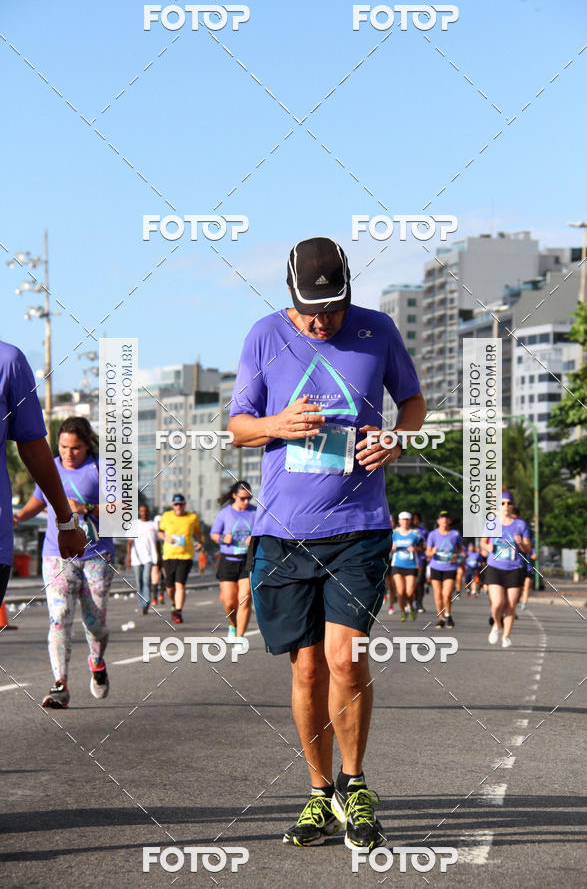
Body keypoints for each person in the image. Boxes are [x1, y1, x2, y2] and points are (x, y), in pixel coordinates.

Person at [228, 237, 426, 851]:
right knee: (308, 666)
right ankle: (319, 794)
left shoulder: (378, 330)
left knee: (346, 659)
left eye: (334, 308)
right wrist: (275, 426)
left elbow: (413, 403)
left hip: (361, 524)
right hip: (284, 531)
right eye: (313, 311)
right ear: (290, 295)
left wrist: (396, 437)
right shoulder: (264, 335)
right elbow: (238, 427)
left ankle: (355, 781)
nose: (323, 321)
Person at [16, 417, 112, 708]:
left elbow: (123, 507)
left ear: (87, 445)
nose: (69, 453)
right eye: (63, 447)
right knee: (59, 617)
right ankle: (60, 684)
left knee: (95, 623)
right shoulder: (52, 466)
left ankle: (96, 661)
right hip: (57, 555)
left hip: (96, 555)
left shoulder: (101, 468)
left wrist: (88, 508)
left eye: (76, 448)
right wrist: (19, 516)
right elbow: (39, 500)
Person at [1, 342, 85, 607]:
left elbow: (34, 450)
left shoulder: (8, 361)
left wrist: (67, 523)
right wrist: (67, 523)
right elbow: (34, 451)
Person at [482, 491, 531, 648]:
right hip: (495, 567)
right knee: (497, 603)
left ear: (513, 506)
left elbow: (528, 549)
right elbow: (483, 543)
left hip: (515, 568)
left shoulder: (520, 524)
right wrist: (487, 546)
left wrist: (521, 543)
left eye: (509, 503)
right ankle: (497, 624)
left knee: (510, 605)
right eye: (502, 503)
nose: (506, 506)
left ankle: (507, 635)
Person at [210, 481, 256, 638]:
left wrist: (254, 539)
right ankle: (233, 624)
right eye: (243, 498)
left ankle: (240, 636)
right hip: (228, 561)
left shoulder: (255, 512)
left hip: (247, 561)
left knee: (245, 597)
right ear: (234, 496)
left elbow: (263, 532)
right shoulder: (225, 513)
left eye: (249, 498)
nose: (247, 502)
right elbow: (214, 534)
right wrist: (224, 539)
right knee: (230, 602)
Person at [158, 493, 202, 623]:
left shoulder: (192, 517)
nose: (178, 507)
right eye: (176, 504)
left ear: (185, 504)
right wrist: (166, 538)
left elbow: (198, 531)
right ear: (173, 505)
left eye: (181, 504)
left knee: (180, 585)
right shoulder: (166, 516)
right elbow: (160, 532)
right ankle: (173, 603)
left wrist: (200, 542)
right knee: (170, 587)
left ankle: (178, 612)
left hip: (186, 556)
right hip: (169, 555)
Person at [426, 511, 463, 629]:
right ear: (438, 521)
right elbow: (427, 552)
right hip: (436, 567)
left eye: (447, 518)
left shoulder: (455, 534)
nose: (444, 520)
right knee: (437, 595)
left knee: (446, 594)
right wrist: (433, 552)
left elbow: (460, 550)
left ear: (450, 521)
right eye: (442, 518)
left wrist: (455, 556)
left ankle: (448, 615)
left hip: (450, 567)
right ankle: (441, 618)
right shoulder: (433, 534)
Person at [126, 503, 159, 614]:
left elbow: (157, 543)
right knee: (139, 582)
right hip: (136, 558)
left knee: (146, 580)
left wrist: (159, 557)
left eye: (146, 510)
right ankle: (142, 605)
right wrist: (128, 557)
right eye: (142, 511)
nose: (144, 513)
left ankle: (146, 602)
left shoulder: (153, 525)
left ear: (148, 512)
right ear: (139, 512)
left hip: (149, 558)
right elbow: (129, 543)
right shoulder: (134, 524)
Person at [390, 512, 421, 621]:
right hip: (397, 565)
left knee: (409, 592)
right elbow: (387, 547)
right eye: (403, 519)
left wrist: (416, 549)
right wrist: (391, 548)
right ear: (399, 521)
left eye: (407, 519)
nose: (405, 521)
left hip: (411, 565)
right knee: (401, 591)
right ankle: (403, 611)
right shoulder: (394, 533)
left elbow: (423, 547)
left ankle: (411, 606)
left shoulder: (414, 534)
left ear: (410, 521)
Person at [411, 511, 428, 613]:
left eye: (417, 519)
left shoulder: (423, 531)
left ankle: (420, 602)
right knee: (411, 583)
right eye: (414, 519)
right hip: (408, 560)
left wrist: (418, 549)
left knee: (420, 582)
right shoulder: (407, 530)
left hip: (421, 559)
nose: (415, 521)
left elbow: (426, 545)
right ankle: (412, 602)